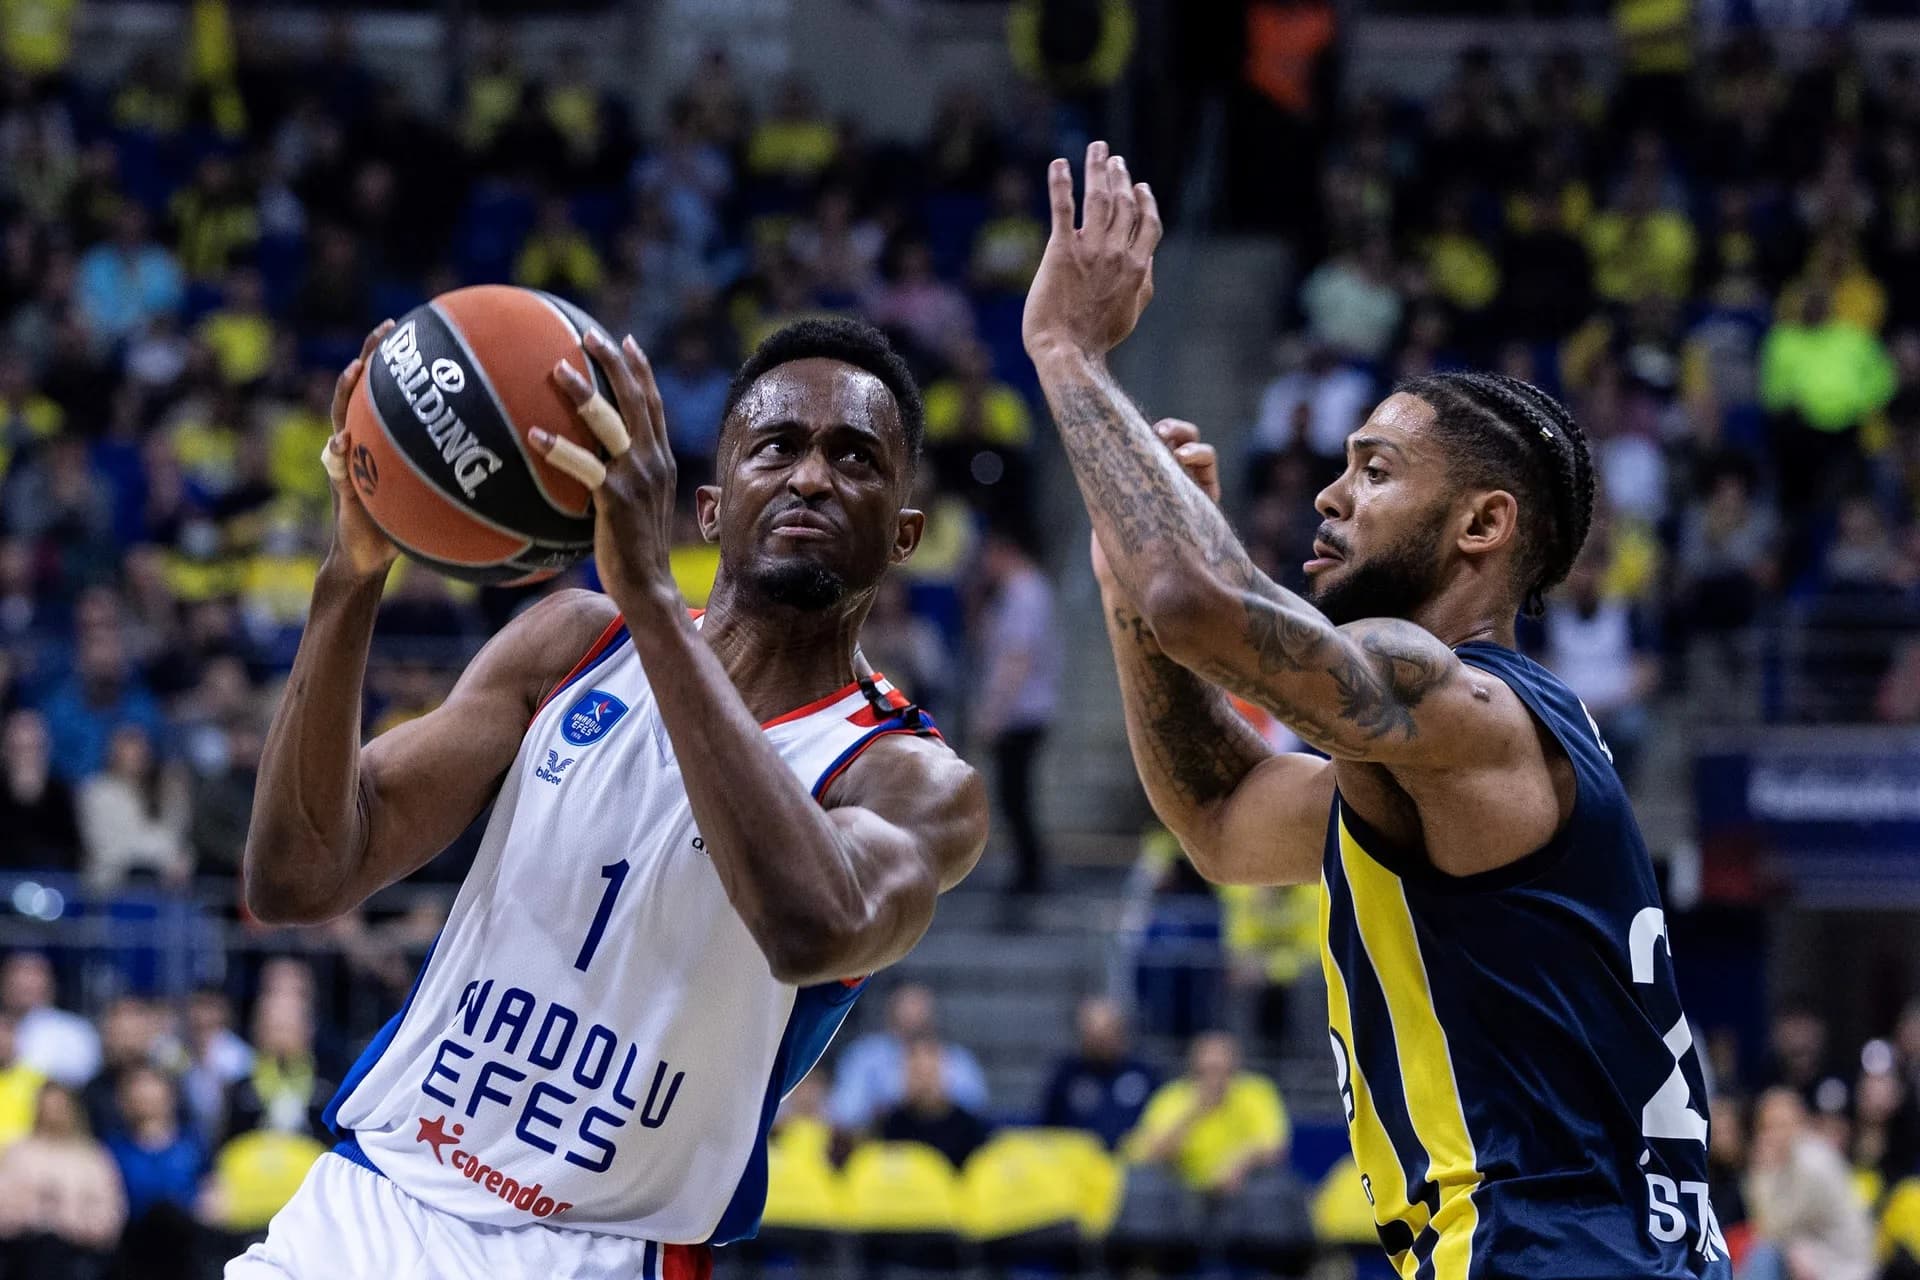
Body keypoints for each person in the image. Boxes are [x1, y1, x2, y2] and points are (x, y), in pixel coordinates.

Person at [1024, 143, 1727, 1276]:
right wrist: (1124, 591)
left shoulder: (1461, 701)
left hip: (1550, 1252)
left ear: (1481, 526)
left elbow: (1197, 601)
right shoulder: (1447, 757)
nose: (1329, 491)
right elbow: (1223, 816)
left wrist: (1069, 352)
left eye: (1376, 468)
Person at [230, 316, 986, 1278]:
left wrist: (656, 602)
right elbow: (297, 876)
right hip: (375, 1208)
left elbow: (814, 927)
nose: (810, 477)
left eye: (855, 459)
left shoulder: (910, 777)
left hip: (603, 1254)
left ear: (906, 536)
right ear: (710, 508)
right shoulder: (573, 646)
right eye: (777, 448)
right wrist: (352, 574)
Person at [972, 525, 1061, 894]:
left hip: (1023, 711)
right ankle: (1028, 867)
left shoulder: (1026, 593)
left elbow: (1017, 658)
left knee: (1015, 794)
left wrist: (994, 711)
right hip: (1024, 709)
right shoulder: (1015, 593)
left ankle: (1032, 870)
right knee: (1013, 793)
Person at [1123, 1031, 1287, 1195]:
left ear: (1235, 1067)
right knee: (1145, 1184)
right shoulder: (1171, 1097)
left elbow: (1274, 1147)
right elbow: (1148, 1154)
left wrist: (1242, 1161)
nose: (1214, 1079)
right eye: (1206, 1071)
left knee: (1271, 1187)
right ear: (1193, 1068)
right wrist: (1193, 1113)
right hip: (1181, 1190)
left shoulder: (1256, 1092)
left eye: (1221, 1071)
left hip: (1241, 1191)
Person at [1742, 1087, 1874, 1280]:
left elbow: (1769, 1229)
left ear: (1801, 1123)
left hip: (1846, 1266)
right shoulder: (1791, 1161)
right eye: (1767, 1127)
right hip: (1819, 1254)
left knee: (1765, 1254)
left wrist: (1762, 1172)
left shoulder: (1811, 1162)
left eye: (1782, 1124)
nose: (1774, 1134)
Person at [828, 983, 988, 1133]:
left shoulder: (957, 1059)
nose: (912, 1019)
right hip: (880, 1144)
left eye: (919, 1012)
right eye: (906, 1012)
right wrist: (898, 1101)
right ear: (890, 1015)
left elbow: (976, 1107)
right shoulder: (864, 1055)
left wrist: (931, 1099)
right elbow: (845, 1113)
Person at [0, 1082, 126, 1273]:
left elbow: (110, 1215)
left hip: (78, 1251)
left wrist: (68, 1223)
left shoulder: (93, 1157)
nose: (53, 1115)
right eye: (47, 1108)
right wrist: (38, 1216)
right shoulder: (18, 1153)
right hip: (25, 1248)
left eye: (59, 1108)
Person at [1036, 996, 1158, 1149]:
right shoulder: (1066, 1075)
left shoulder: (1144, 1074)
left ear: (1121, 1032)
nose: (1100, 1042)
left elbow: (1160, 1124)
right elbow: (1048, 1128)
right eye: (1093, 1035)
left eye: (1106, 1033)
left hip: (1133, 1166)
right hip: (1078, 1165)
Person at [105, 1065, 206, 1223]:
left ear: (170, 1096)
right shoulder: (113, 1149)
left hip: (192, 1232)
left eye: (151, 1091)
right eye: (138, 1093)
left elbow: (210, 1190)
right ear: (123, 1101)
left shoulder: (194, 1143)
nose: (145, 1098)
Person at [877, 1038, 992, 1169]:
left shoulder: (968, 1127)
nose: (924, 1083)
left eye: (929, 1073)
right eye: (916, 1074)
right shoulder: (893, 1125)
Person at [3, 950, 99, 1088]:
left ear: (51, 983)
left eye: (33, 975)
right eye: (16, 975)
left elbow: (85, 1080)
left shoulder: (75, 1030)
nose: (23, 984)